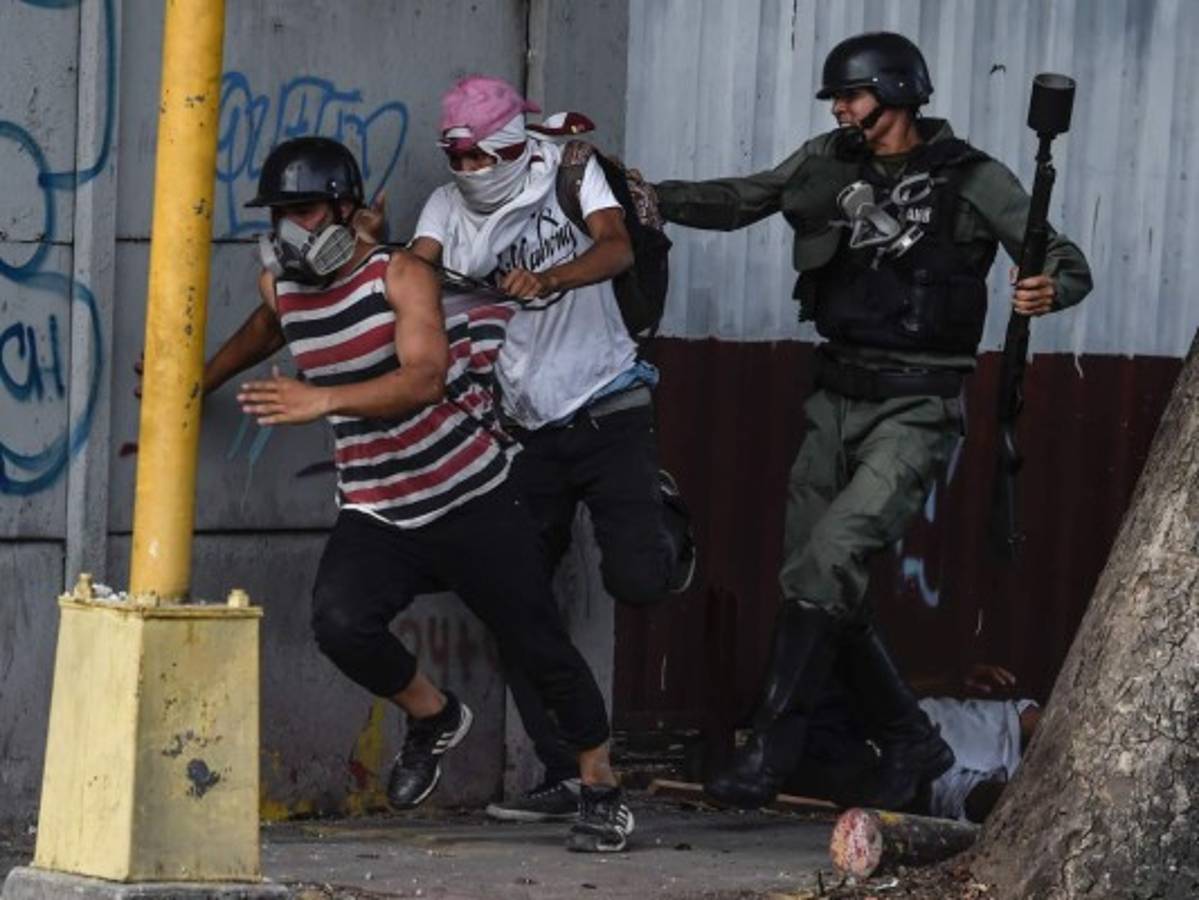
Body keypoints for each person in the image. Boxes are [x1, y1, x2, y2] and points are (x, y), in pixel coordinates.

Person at [653, 31, 1092, 810]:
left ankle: (769, 749)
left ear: (892, 93)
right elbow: (745, 198)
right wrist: (649, 197)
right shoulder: (827, 160)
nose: (838, 108)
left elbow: (1058, 256)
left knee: (828, 562)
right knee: (817, 579)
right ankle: (911, 739)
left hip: (914, 403)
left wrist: (1048, 289)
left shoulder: (970, 177)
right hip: (833, 397)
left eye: (849, 96)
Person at [203, 136, 634, 853]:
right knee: (339, 623)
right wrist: (197, 379)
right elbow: (265, 328)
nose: (290, 228)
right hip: (379, 503)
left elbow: (425, 377)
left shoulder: (397, 274)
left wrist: (321, 400)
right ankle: (434, 716)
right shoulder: (280, 285)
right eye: (280, 213)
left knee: (536, 642)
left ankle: (599, 785)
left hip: (468, 493)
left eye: (305, 210)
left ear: (345, 206)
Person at [408, 75, 695, 822]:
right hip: (523, 429)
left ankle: (663, 517)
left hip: (607, 406)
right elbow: (417, 270)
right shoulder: (444, 209)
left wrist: (550, 278)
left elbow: (615, 249)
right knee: (515, 602)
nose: (470, 173)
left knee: (637, 577)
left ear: (511, 145)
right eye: (458, 161)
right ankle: (566, 769)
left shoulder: (567, 168)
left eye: (481, 158)